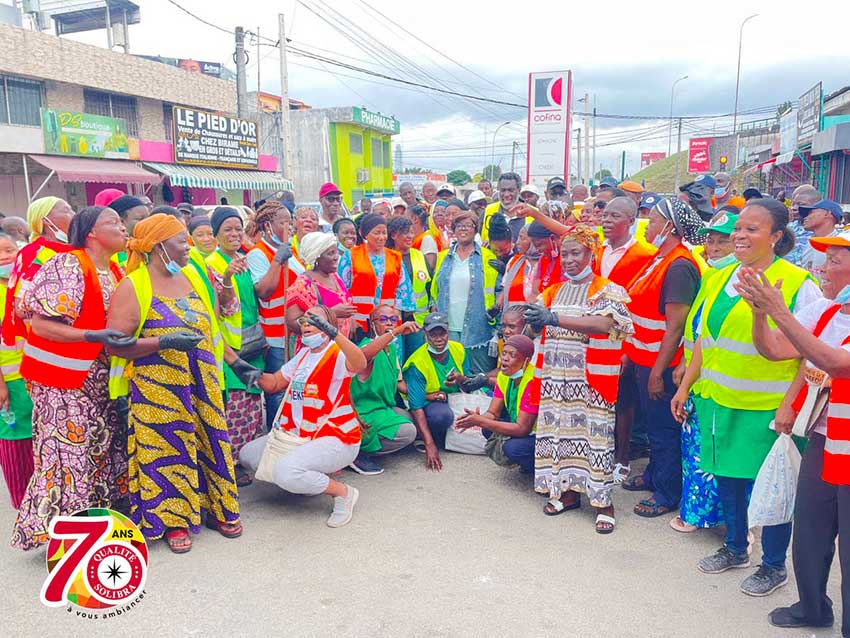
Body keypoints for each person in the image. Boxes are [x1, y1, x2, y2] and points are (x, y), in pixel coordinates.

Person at [683, 198, 821, 596]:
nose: (740, 236)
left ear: (777, 237)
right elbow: (705, 339)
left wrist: (789, 406)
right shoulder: (719, 275)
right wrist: (687, 385)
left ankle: (773, 564)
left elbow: (809, 352)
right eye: (738, 228)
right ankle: (735, 547)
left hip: (768, 408)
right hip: (718, 400)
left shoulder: (797, 283)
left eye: (752, 229)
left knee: (773, 486)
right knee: (726, 476)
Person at [733, 230, 850, 633]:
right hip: (824, 437)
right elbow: (775, 349)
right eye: (826, 258)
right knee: (812, 530)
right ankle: (813, 607)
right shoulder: (827, 313)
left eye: (836, 260)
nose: (823, 268)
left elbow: (836, 363)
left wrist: (779, 311)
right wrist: (760, 313)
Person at [107, 214, 242, 552]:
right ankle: (172, 521)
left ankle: (217, 508)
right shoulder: (133, 285)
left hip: (202, 380)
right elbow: (113, 344)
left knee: (211, 440)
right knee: (167, 451)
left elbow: (215, 320)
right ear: (158, 247)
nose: (189, 246)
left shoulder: (193, 274)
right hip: (158, 387)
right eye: (182, 241)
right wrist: (162, 343)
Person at [12, 206, 130, 551]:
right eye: (114, 223)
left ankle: (94, 525)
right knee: (69, 457)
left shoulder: (117, 270)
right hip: (62, 379)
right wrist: (93, 336)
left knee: (99, 452)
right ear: (91, 233)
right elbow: (41, 323)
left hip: (99, 380)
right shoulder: (69, 264)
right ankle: (66, 537)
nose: (123, 229)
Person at [524, 225, 633, 534]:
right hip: (556, 379)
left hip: (590, 380)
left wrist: (553, 318)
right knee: (560, 434)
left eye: (576, 253)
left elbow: (602, 324)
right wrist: (532, 320)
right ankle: (568, 493)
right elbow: (534, 329)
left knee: (593, 439)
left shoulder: (606, 289)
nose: (569, 260)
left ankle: (603, 504)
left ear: (591, 253)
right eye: (566, 254)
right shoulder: (553, 290)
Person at [241, 306, 367, 528]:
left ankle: (343, 493)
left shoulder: (337, 353)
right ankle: (306, 479)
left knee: (285, 472)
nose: (306, 323)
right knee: (248, 455)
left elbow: (360, 363)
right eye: (304, 320)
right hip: (303, 435)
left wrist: (336, 335)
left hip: (337, 437)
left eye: (314, 319)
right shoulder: (304, 355)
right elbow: (274, 383)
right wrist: (236, 361)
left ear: (327, 326)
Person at [621, 199, 702, 520]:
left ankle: (667, 491)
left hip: (662, 365)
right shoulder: (660, 258)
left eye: (653, 221)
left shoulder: (679, 266)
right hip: (644, 358)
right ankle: (655, 475)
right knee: (655, 426)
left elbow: (675, 328)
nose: (648, 227)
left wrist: (656, 372)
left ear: (669, 227)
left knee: (664, 429)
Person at [669, 211, 739, 534]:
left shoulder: (739, 279)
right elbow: (696, 332)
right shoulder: (711, 276)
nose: (714, 247)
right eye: (710, 240)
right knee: (696, 450)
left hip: (725, 384)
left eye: (723, 240)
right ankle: (697, 515)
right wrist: (685, 369)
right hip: (698, 380)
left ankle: (735, 527)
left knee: (721, 456)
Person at [205, 207, 264, 487]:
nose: (234, 234)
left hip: (253, 341)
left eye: (238, 229)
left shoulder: (244, 260)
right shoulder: (211, 264)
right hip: (230, 348)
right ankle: (230, 463)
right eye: (227, 229)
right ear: (216, 234)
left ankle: (246, 456)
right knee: (234, 405)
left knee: (252, 402)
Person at [246, 201, 303, 427]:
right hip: (276, 334)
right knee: (278, 389)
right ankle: (274, 433)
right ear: (268, 225)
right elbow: (264, 291)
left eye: (291, 221)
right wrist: (278, 261)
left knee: (294, 387)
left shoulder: (291, 248)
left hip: (295, 331)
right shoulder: (258, 254)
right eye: (283, 222)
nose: (289, 226)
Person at [349, 304, 420, 475]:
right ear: (372, 323)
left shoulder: (391, 349)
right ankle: (357, 452)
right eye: (383, 319)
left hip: (381, 407)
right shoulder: (368, 347)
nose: (389, 323)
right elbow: (363, 356)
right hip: (363, 412)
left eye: (393, 319)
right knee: (408, 432)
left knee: (412, 417)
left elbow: (399, 383)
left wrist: (426, 395)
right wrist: (395, 332)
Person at [457, 334, 538, 474]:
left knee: (513, 449)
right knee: (487, 429)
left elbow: (522, 429)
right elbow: (493, 413)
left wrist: (481, 421)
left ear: (526, 361)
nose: (504, 358)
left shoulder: (533, 382)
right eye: (504, 353)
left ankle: (538, 471)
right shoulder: (504, 376)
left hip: (538, 435)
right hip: (522, 428)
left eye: (512, 355)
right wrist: (476, 419)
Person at [402, 312, 473, 471]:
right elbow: (416, 405)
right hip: (430, 403)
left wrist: (459, 379)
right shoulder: (418, 362)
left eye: (442, 333)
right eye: (433, 334)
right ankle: (429, 436)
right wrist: (430, 444)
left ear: (448, 332)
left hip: (453, 397)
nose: (438, 338)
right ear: (425, 335)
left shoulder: (458, 349)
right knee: (442, 417)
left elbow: (469, 381)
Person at [431, 210, 499, 375]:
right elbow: (435, 290)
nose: (463, 229)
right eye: (459, 226)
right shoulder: (443, 257)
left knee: (478, 377)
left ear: (475, 230)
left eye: (469, 226)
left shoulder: (487, 257)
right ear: (453, 229)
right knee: (451, 376)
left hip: (478, 329)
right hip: (448, 327)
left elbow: (498, 289)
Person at [3, 197, 75, 351]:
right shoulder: (34, 254)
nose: (74, 214)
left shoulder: (77, 251)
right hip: (47, 344)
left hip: (78, 340)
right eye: (66, 210)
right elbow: (21, 308)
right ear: (47, 221)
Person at [338, 213, 414, 334]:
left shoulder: (395, 257)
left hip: (389, 324)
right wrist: (348, 318)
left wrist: (395, 314)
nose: (381, 237)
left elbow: (404, 290)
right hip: (358, 322)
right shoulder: (351, 256)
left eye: (384, 233)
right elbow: (341, 290)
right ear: (365, 234)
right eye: (377, 233)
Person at [0, 232, 33, 509]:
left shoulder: (26, 284)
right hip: (9, 383)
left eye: (9, 250)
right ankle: (23, 502)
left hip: (36, 376)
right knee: (15, 438)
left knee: (38, 438)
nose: (4, 257)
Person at [286, 231, 355, 346]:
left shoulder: (335, 276)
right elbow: (293, 323)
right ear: (316, 258)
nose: (336, 257)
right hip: (316, 351)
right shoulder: (303, 285)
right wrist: (331, 313)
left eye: (336, 252)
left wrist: (350, 320)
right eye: (330, 253)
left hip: (338, 348)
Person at [387, 216, 430, 356]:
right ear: (393, 235)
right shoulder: (385, 256)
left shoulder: (418, 255)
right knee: (395, 358)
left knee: (415, 358)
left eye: (412, 232)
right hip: (392, 319)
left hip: (416, 319)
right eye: (406, 232)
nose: (410, 236)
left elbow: (428, 286)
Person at [799, 199, 843, 282]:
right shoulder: (808, 244)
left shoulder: (841, 246)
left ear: (827, 214)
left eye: (811, 212)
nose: (805, 217)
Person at [497, 224, 538, 310]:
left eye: (522, 238)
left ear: (535, 242)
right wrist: (497, 305)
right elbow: (506, 288)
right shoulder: (514, 261)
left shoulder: (548, 264)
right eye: (518, 238)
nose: (517, 242)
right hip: (513, 317)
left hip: (537, 318)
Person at [481, 172, 524, 243]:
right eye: (503, 190)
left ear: (519, 190)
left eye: (511, 190)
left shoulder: (532, 214)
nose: (506, 194)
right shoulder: (488, 211)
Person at [109, 195, 150, 268]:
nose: (146, 223)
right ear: (121, 221)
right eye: (140, 219)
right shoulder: (112, 254)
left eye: (148, 219)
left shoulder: (149, 249)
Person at [527, 220, 562, 293]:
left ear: (552, 238)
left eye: (539, 245)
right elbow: (534, 292)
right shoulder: (543, 259)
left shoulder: (568, 260)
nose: (537, 250)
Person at [413, 202, 447, 271]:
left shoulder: (455, 236)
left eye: (443, 211)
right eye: (435, 211)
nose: (439, 214)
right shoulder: (425, 236)